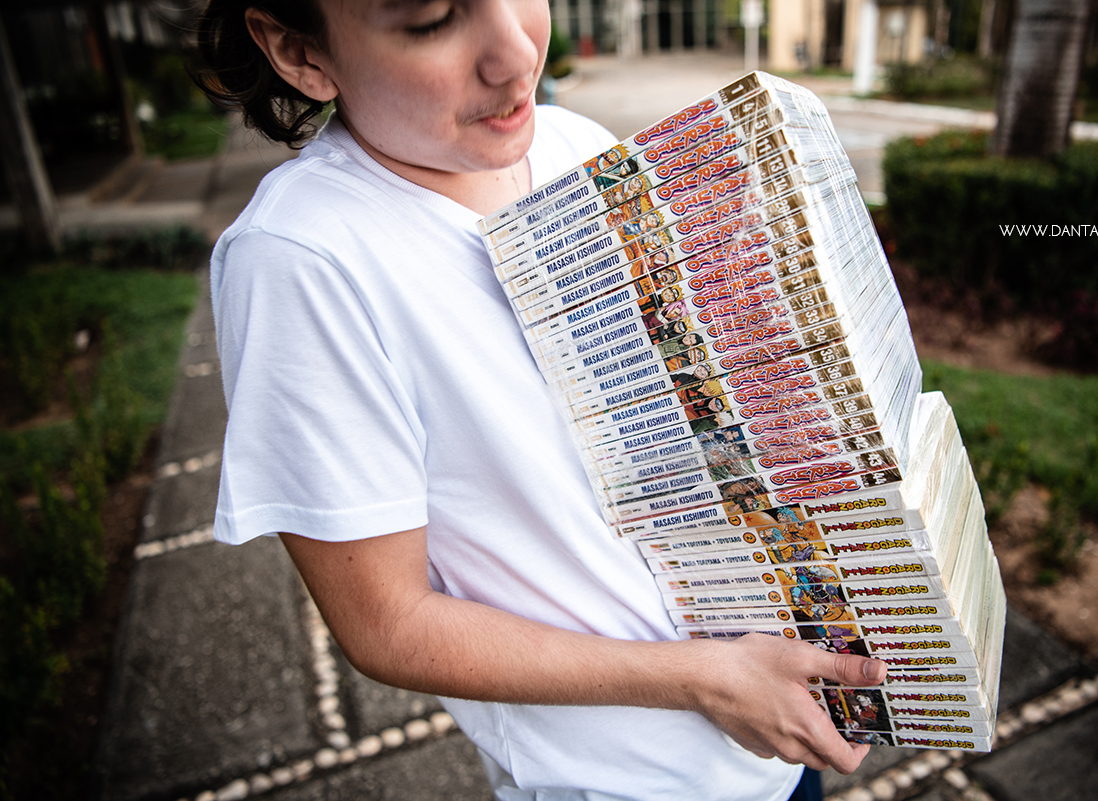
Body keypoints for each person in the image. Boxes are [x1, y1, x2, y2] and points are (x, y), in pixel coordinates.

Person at [197, 2, 886, 799]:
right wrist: (707, 679)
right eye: (432, 20)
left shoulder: (574, 144)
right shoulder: (301, 256)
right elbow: (387, 623)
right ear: (296, 49)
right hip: (623, 780)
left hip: (776, 724)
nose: (516, 54)